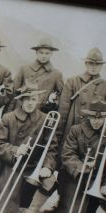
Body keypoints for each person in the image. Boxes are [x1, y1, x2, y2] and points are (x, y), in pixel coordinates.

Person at [42, 47, 106, 211]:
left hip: (94, 135)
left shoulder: (105, 86)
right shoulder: (73, 82)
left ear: (101, 66)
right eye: (91, 63)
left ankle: (81, 202)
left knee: (90, 169)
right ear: (86, 63)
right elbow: (63, 112)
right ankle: (61, 201)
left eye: (97, 64)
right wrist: (58, 135)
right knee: (66, 169)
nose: (93, 67)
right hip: (72, 133)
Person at [0, 84, 58, 213]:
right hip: (10, 163)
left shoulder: (45, 119)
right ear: (21, 100)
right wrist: (15, 150)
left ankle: (32, 209)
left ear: (38, 100)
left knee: (50, 180)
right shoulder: (9, 117)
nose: (30, 103)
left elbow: (52, 147)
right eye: (27, 99)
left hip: (32, 166)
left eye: (34, 99)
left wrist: (47, 166)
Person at [56, 98, 106, 213]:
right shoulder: (76, 130)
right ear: (88, 117)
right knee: (73, 209)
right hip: (76, 176)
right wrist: (83, 167)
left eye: (100, 118)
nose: (96, 121)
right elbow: (67, 154)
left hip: (98, 180)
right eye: (93, 117)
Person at [12, 37, 64, 113]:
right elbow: (14, 92)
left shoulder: (56, 74)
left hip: (40, 113)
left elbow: (60, 95)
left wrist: (51, 103)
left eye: (47, 53)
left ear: (51, 54)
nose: (44, 56)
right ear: (36, 53)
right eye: (41, 52)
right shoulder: (24, 69)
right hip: (21, 110)